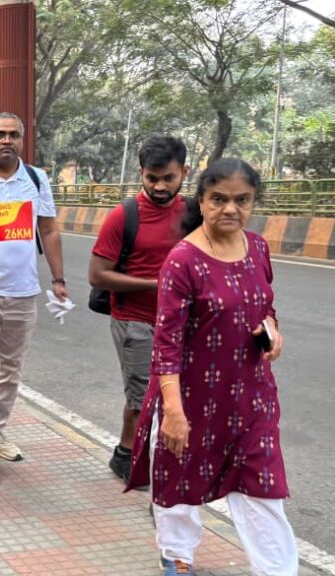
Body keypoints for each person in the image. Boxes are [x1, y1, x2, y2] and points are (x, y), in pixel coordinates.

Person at [126, 158, 298, 575]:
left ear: (254, 202)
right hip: (190, 395)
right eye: (219, 199)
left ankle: (277, 569)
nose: (230, 210)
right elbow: (166, 343)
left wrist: (271, 330)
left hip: (251, 395)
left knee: (263, 485)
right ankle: (177, 554)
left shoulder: (257, 247)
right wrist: (173, 410)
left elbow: (265, 303)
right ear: (201, 201)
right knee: (180, 479)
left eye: (242, 200)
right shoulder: (182, 261)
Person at [0, 112, 68, 483]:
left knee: (11, 370)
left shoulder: (36, 180)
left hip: (23, 291)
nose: (7, 140)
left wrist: (58, 278)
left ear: (22, 140)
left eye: (13, 135)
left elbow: (48, 231)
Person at [89, 136, 189, 486]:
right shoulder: (123, 216)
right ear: (141, 174)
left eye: (168, 179)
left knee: (173, 395)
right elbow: (98, 274)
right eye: (152, 178)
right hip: (135, 322)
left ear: (184, 173)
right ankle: (139, 461)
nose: (160, 186)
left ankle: (130, 454)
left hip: (181, 324)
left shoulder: (194, 214)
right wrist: (155, 284)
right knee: (146, 397)